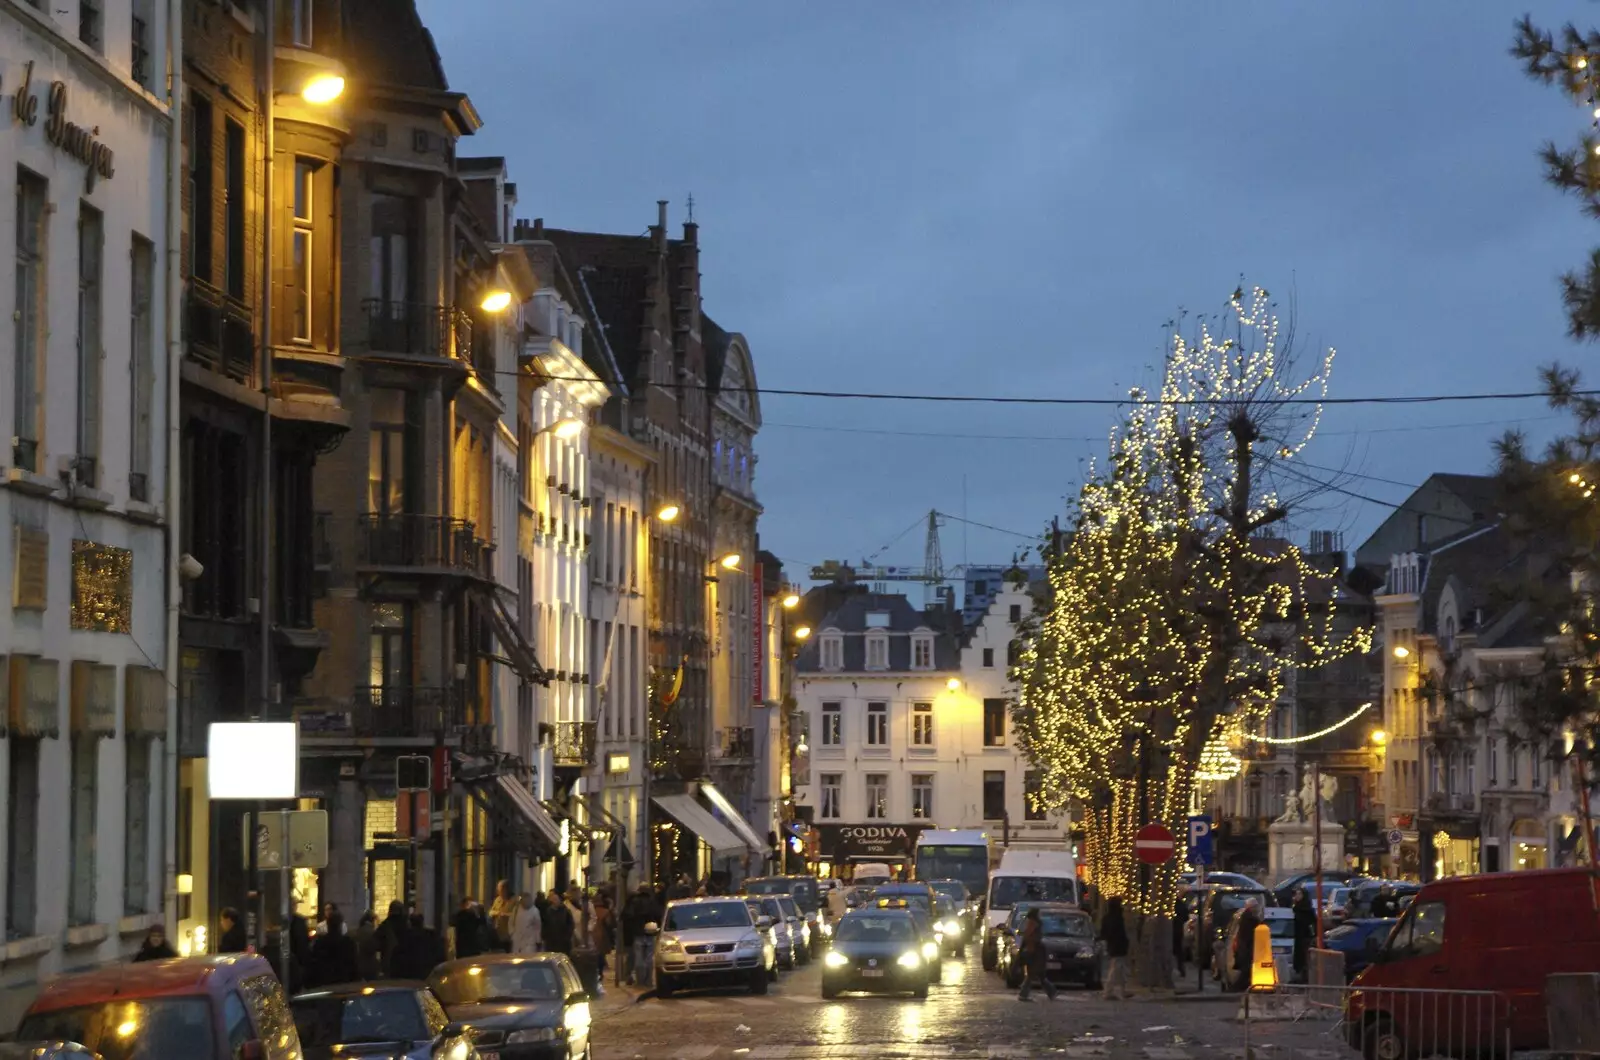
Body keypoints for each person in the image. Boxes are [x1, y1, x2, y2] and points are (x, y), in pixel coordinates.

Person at [304, 911, 360, 987]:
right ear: (341, 925)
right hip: (344, 981)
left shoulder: (320, 942)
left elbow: (314, 963)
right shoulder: (348, 942)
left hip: (325, 981)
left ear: (327, 924)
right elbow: (354, 964)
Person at [1016, 907, 1059, 1002]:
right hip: (1034, 951)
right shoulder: (1033, 923)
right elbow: (1028, 936)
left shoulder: (1034, 923)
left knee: (1039, 974)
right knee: (1034, 973)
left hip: (1035, 950)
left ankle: (1051, 992)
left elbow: (1027, 936)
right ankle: (1024, 994)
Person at [622, 884, 661, 985]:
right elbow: (658, 914)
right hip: (650, 932)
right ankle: (648, 980)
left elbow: (627, 916)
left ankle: (640, 981)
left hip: (638, 933)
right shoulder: (652, 901)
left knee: (639, 958)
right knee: (649, 958)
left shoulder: (634, 902)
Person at [391, 913, 445, 980]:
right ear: (422, 922)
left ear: (410, 923)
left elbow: (397, 958)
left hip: (408, 975)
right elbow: (439, 955)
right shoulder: (430, 937)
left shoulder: (404, 938)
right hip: (426, 974)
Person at [1098, 896, 1131, 1000]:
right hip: (1118, 946)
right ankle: (1108, 991)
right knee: (1116, 969)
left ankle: (1122, 990)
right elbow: (1119, 932)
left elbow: (1104, 932)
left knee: (1120, 970)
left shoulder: (1107, 917)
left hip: (1113, 945)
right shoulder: (1117, 918)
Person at [1232, 898, 1263, 992]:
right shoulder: (1251, 919)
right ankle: (1236, 988)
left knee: (1246, 970)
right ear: (1251, 907)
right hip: (1247, 948)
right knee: (1246, 970)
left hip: (1245, 947)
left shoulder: (1246, 917)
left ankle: (1239, 988)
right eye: (1256, 906)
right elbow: (1250, 935)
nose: (1257, 908)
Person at [377, 900, 409, 976]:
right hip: (404, 959)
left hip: (388, 959)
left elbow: (376, 941)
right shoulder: (406, 924)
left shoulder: (385, 924)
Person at [1291, 888, 1315, 984]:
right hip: (1299, 938)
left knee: (1304, 959)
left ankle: (1305, 978)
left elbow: (1311, 924)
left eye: (1299, 894)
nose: (1296, 896)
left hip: (1305, 938)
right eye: (1296, 894)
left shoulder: (1306, 910)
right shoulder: (1296, 908)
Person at [489, 879, 518, 952]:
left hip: (510, 934)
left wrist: (505, 915)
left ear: (506, 889)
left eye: (500, 889)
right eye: (498, 889)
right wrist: (495, 913)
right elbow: (491, 911)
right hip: (498, 933)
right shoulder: (498, 900)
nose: (498, 891)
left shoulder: (515, 900)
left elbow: (518, 915)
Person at [543, 889, 575, 956]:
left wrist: (567, 937)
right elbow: (545, 925)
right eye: (553, 900)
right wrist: (545, 937)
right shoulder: (548, 912)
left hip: (563, 943)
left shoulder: (565, 911)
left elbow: (571, 925)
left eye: (556, 899)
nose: (555, 901)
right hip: (551, 942)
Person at [354, 911, 383, 980]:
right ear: (373, 920)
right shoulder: (372, 932)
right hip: (370, 966)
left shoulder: (358, 930)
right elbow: (377, 947)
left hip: (359, 964)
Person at [1173, 891, 1190, 977]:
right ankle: (1181, 969)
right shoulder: (1181, 904)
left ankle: (1177, 969)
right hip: (1178, 930)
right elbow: (1186, 917)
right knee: (1179, 951)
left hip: (1172, 929)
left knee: (1173, 950)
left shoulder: (1172, 905)